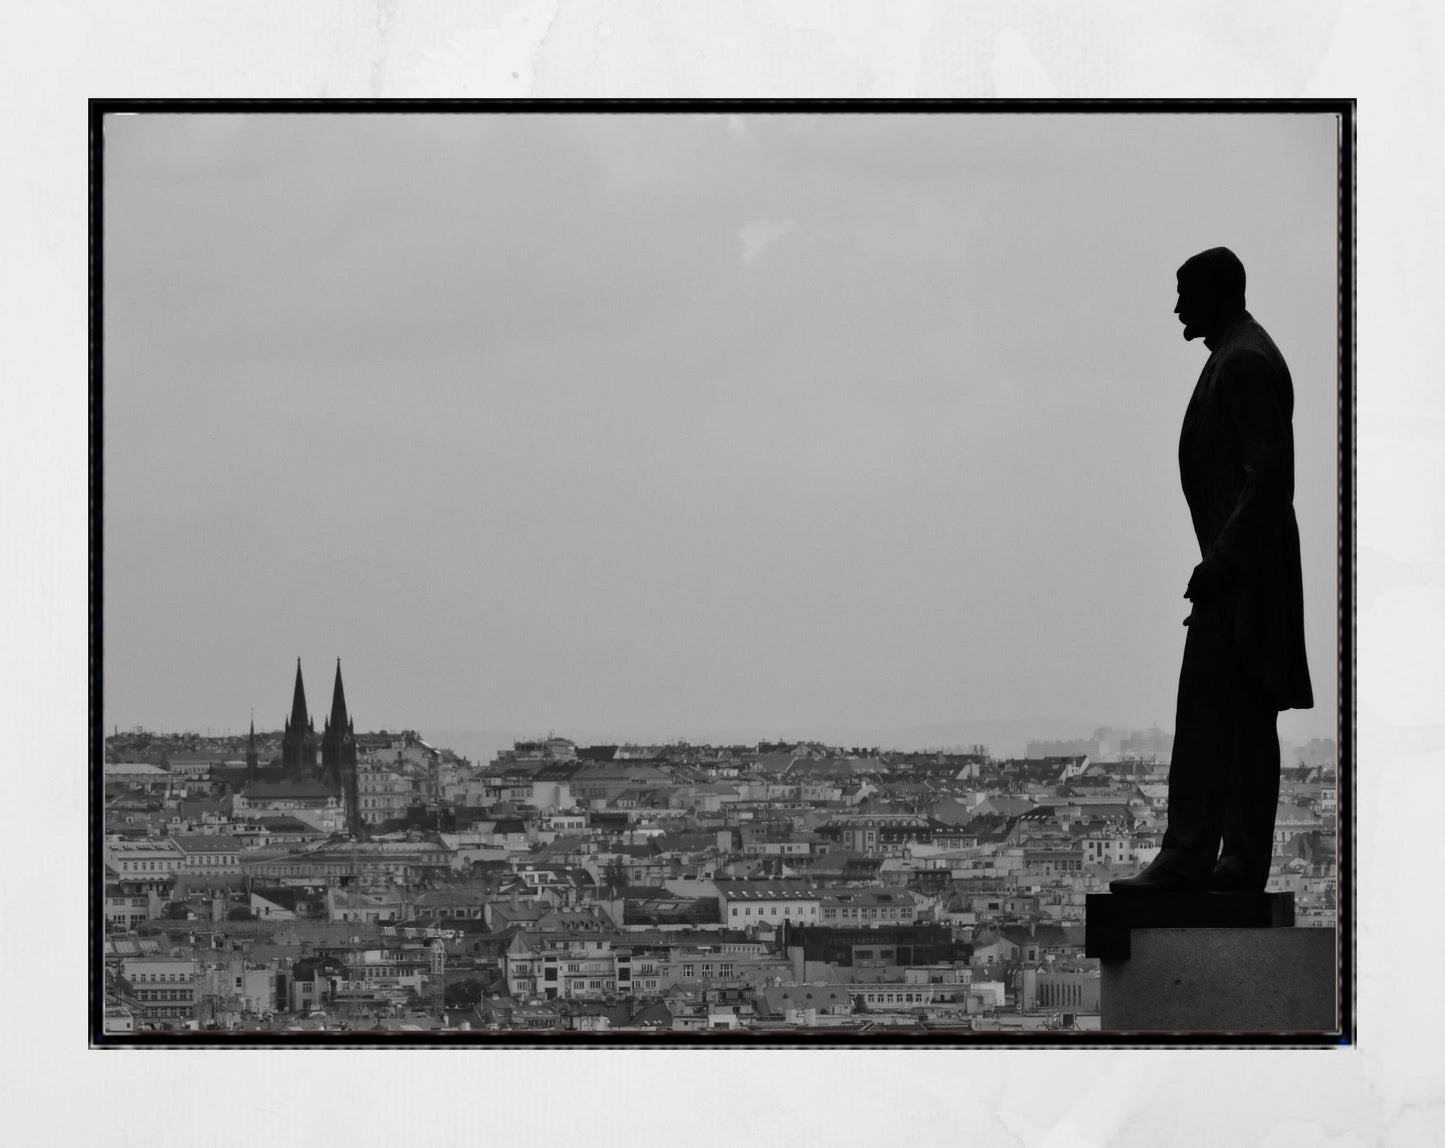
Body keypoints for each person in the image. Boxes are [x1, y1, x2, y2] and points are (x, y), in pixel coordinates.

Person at [1111, 247, 1313, 894]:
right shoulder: (1236, 354)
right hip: (1242, 570)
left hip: (1241, 575)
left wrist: (1221, 562)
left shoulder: (1243, 361)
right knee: (1241, 717)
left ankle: (1194, 856)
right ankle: (1228, 861)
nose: (1175, 308)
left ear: (1216, 294)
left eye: (1183, 294)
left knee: (1212, 712)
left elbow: (1268, 478)